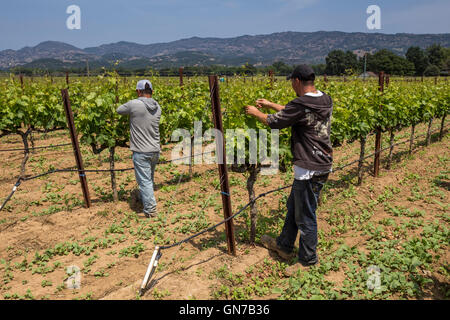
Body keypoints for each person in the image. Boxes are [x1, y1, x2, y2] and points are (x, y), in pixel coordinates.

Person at [244, 65, 333, 275]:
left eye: (291, 82)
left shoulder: (301, 104)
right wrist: (270, 104)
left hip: (309, 167)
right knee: (294, 206)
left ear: (296, 81)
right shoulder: (323, 99)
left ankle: (307, 260)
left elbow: (275, 123)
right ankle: (284, 245)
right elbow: (294, 110)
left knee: (306, 216)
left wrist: (258, 112)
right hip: (322, 162)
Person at [117, 80, 161, 218]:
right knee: (149, 179)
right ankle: (144, 200)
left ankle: (150, 210)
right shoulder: (157, 106)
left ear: (138, 91)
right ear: (152, 92)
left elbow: (119, 110)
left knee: (145, 181)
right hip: (155, 150)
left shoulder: (134, 104)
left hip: (141, 151)